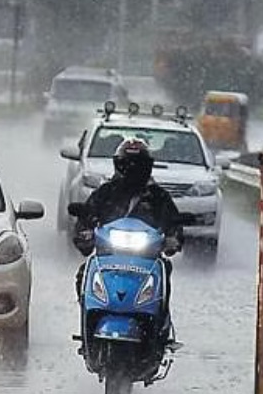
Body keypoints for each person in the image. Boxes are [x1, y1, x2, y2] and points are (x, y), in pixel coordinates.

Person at [73, 138, 183, 344]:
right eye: (128, 164)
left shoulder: (158, 197)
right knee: (84, 272)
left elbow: (174, 223)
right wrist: (85, 233)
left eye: (138, 165)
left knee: (164, 270)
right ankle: (89, 324)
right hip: (108, 257)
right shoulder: (106, 193)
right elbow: (85, 219)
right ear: (118, 165)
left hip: (147, 258)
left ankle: (160, 328)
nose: (133, 170)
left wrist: (173, 238)